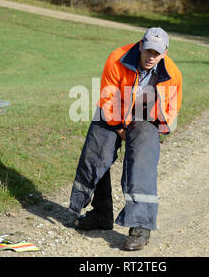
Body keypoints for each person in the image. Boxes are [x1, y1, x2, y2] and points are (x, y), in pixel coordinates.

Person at [69, 27, 182, 251]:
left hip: (147, 116)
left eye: (157, 53)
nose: (151, 57)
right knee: (97, 152)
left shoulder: (173, 74)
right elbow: (108, 98)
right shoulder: (116, 59)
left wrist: (152, 129)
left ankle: (140, 227)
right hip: (114, 111)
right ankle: (101, 214)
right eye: (148, 50)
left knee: (141, 161)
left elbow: (170, 108)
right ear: (140, 45)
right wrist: (120, 128)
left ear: (165, 53)